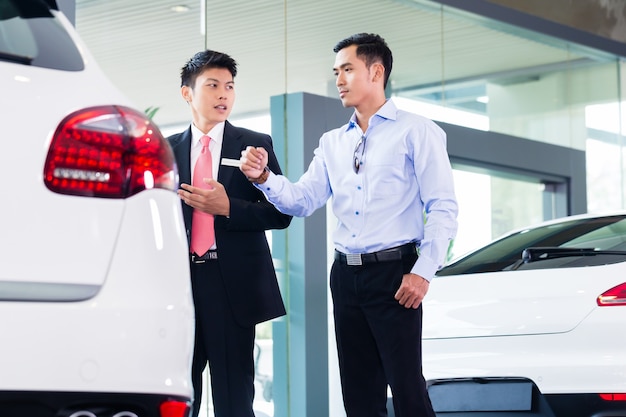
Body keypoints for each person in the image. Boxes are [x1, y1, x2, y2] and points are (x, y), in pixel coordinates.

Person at [240, 33, 458, 417]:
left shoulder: (417, 131)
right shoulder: (331, 143)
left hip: (396, 275)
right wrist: (264, 178)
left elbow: (442, 207)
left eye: (347, 70)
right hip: (345, 276)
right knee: (358, 394)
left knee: (407, 389)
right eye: (336, 71)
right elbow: (303, 200)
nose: (339, 79)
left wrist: (422, 272)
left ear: (376, 72)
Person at [168, 49, 292, 417]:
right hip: (179, 284)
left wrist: (229, 208)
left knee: (234, 398)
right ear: (187, 93)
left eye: (230, 86)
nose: (224, 94)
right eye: (213, 85)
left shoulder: (254, 145)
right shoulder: (166, 151)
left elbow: (282, 213)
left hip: (231, 286)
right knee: (178, 395)